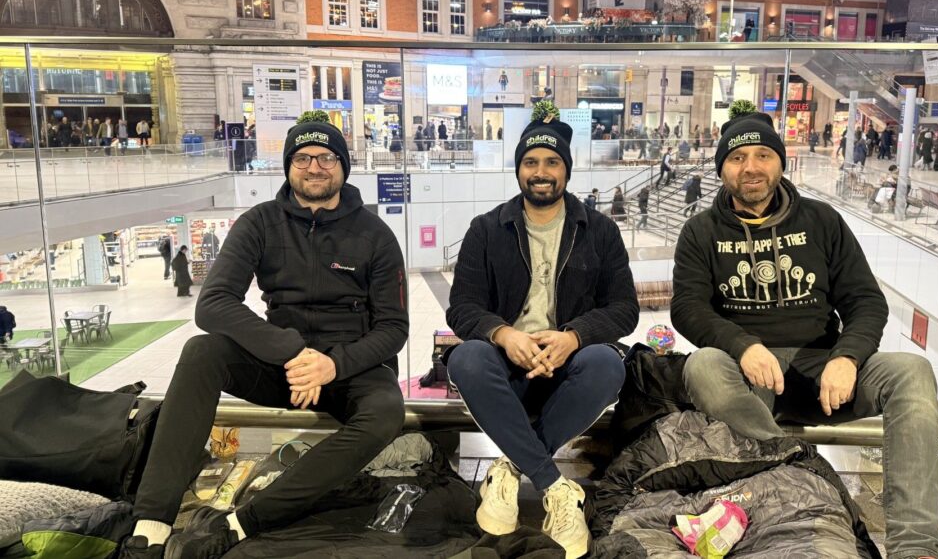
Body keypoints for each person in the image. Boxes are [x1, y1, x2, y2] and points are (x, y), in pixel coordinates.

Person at [118, 121, 408, 559]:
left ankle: (243, 522)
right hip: (280, 365)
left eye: (326, 157)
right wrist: (291, 351)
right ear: (289, 166)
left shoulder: (375, 235)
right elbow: (212, 304)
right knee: (201, 351)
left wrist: (331, 365)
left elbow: (393, 328)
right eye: (302, 158)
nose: (314, 167)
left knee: (386, 412)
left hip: (349, 369)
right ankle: (152, 522)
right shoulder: (260, 222)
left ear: (343, 166)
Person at [672, 112, 938, 559]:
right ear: (721, 169)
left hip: (825, 374)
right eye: (737, 158)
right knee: (703, 365)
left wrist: (847, 356)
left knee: (912, 371)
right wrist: (743, 345)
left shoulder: (821, 220)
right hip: (748, 381)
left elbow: (865, 300)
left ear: (781, 162)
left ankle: (915, 548)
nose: (751, 167)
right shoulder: (700, 232)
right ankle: (800, 470)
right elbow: (688, 308)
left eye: (763, 155)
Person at [445, 115, 636, 559]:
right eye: (531, 162)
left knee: (607, 364)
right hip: (505, 366)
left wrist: (574, 336)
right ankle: (554, 485)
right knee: (467, 358)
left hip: (568, 366)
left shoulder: (599, 231)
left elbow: (624, 309)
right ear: (518, 169)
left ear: (566, 169)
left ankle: (509, 469)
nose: (541, 172)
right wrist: (503, 334)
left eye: (552, 162)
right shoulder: (486, 229)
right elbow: (462, 308)